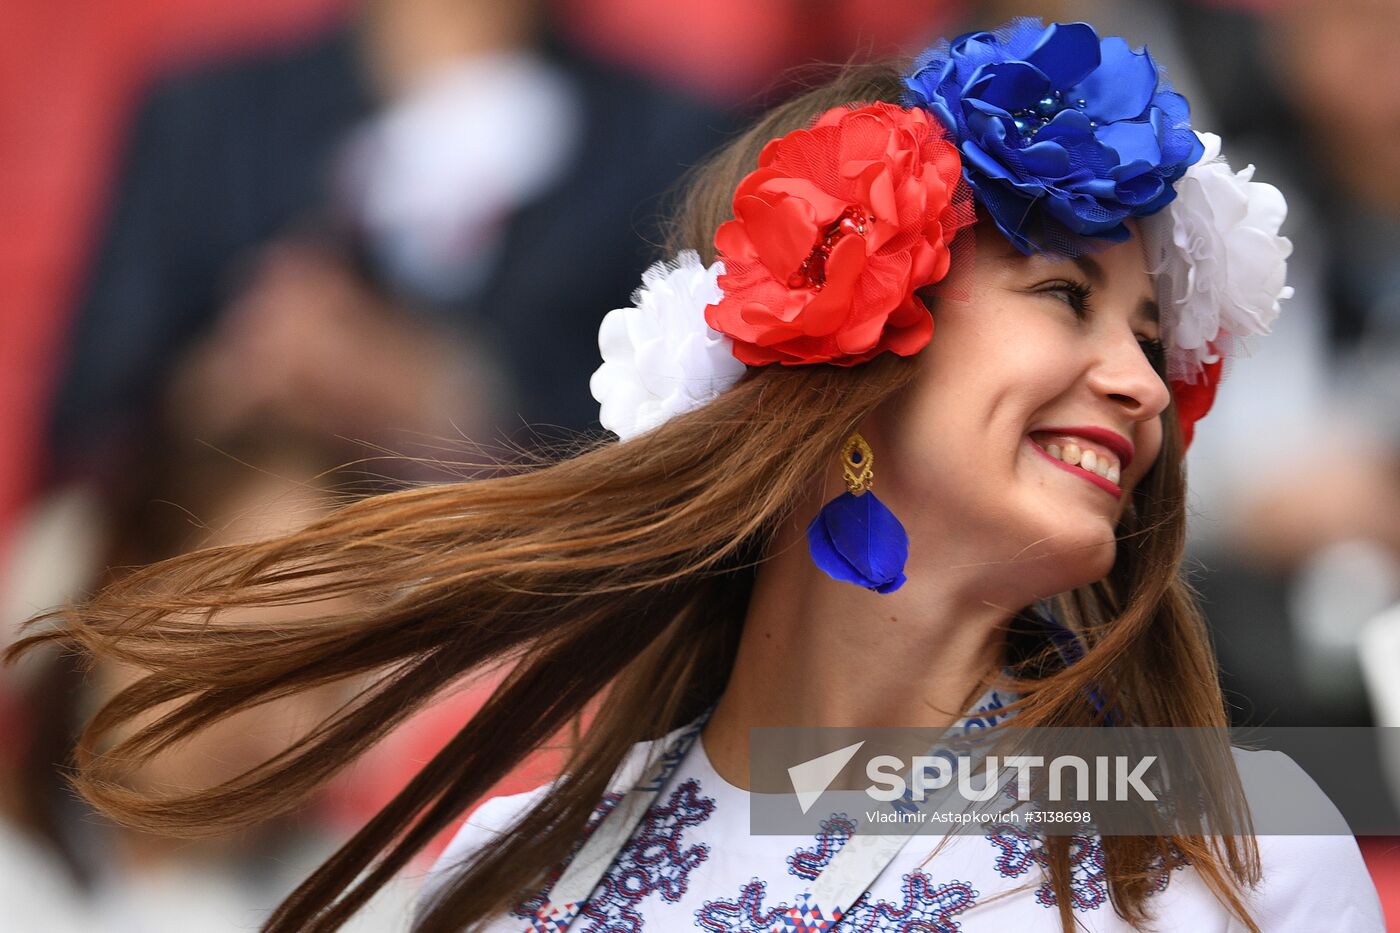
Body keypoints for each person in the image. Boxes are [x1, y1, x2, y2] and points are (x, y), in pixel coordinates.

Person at [8, 17, 1384, 933]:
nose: (1144, 385)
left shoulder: (1228, 844)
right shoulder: (511, 869)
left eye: (1154, 339)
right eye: (1065, 297)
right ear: (859, 349)